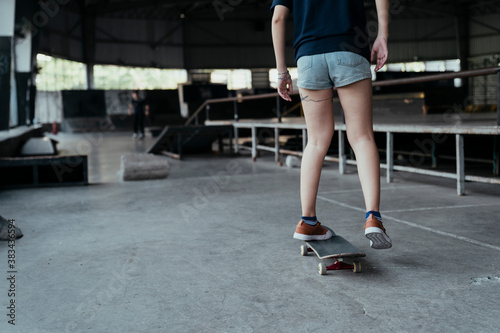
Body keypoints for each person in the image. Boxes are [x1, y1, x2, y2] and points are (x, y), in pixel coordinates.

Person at [271, 0, 392, 249]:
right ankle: (373, 218)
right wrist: (382, 35)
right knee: (361, 137)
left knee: (315, 141)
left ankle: (308, 221)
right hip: (349, 49)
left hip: (308, 56)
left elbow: (278, 19)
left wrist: (282, 71)